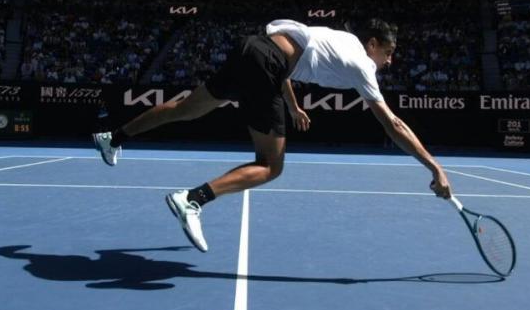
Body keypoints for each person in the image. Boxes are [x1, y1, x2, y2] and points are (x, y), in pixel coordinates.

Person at [93, 18, 452, 252]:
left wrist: (293, 107)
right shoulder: (361, 65)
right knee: (270, 165)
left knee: (187, 108)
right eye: (388, 53)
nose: (388, 62)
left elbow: (283, 48)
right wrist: (434, 167)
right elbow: (394, 125)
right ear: (373, 44)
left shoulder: (339, 39)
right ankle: (192, 199)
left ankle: (113, 137)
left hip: (250, 49)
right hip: (267, 66)